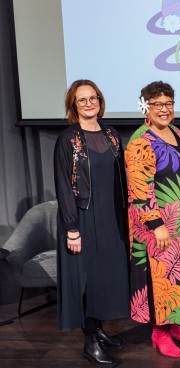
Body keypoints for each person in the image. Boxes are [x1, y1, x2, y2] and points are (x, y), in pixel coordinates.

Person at [54, 79, 129, 366]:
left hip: (111, 217)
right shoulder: (68, 139)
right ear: (73, 106)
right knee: (87, 280)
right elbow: (63, 186)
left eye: (93, 97)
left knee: (105, 279)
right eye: (82, 100)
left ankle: (98, 330)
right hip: (83, 218)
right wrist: (72, 229)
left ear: (100, 100)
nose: (89, 103)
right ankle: (90, 343)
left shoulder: (111, 134)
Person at [125, 81, 180, 359]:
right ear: (145, 106)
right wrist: (156, 225)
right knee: (162, 278)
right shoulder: (140, 141)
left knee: (178, 274)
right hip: (159, 224)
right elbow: (139, 188)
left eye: (168, 103)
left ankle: (174, 323)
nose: (164, 109)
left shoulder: (175, 132)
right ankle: (160, 333)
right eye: (157, 104)